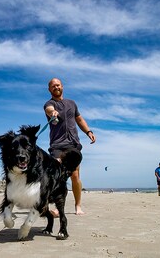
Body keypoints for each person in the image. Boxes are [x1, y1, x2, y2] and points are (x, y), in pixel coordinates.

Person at [44, 78, 96, 216]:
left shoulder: (72, 103)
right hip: (57, 145)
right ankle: (57, 207)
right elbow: (49, 110)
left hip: (73, 144)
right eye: (53, 86)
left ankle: (78, 206)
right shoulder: (50, 104)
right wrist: (52, 112)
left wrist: (88, 131)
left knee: (75, 175)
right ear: (49, 89)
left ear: (62, 87)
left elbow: (79, 119)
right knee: (58, 176)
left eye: (58, 85)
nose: (56, 87)